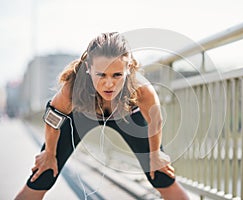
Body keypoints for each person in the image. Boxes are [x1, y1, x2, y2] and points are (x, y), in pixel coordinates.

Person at [15, 32, 189, 200]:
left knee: (160, 174)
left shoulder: (141, 89)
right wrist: (50, 154)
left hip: (125, 116)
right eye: (101, 75)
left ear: (128, 68)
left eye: (117, 75)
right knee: (44, 174)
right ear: (89, 68)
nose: (109, 84)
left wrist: (155, 154)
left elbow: (155, 121)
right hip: (80, 116)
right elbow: (53, 119)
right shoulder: (73, 87)